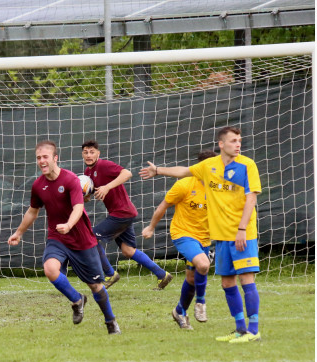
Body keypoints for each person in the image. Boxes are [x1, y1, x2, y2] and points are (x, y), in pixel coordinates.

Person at [140, 126, 262, 343]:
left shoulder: (247, 165)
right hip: (220, 236)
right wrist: (158, 170)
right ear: (221, 144)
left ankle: (253, 330)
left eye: (239, 140)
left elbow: (251, 198)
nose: (238, 144)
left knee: (245, 280)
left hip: (242, 233)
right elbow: (183, 171)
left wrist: (242, 229)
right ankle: (240, 329)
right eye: (233, 140)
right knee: (227, 283)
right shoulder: (208, 167)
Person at [8, 140, 120, 334]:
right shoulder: (38, 185)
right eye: (38, 158)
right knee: (50, 269)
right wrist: (18, 233)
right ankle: (77, 300)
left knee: (95, 285)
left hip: (82, 240)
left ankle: (110, 321)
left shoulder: (70, 180)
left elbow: (78, 207)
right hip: (57, 238)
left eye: (45, 157)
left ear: (55, 158)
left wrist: (69, 224)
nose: (41, 161)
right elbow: (32, 211)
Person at [81, 140, 172, 290]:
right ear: (82, 154)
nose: (89, 155)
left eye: (92, 152)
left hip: (122, 213)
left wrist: (107, 187)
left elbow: (127, 173)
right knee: (128, 250)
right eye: (86, 152)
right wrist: (86, 196)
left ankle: (110, 274)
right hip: (124, 213)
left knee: (92, 237)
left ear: (98, 153)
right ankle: (162, 274)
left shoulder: (104, 165)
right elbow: (92, 190)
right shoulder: (87, 173)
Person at [141, 150, 216, 330]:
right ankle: (201, 303)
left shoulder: (218, 187)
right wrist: (151, 227)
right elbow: (163, 206)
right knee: (204, 265)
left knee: (191, 277)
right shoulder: (184, 185)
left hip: (205, 237)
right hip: (183, 233)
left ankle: (180, 311)